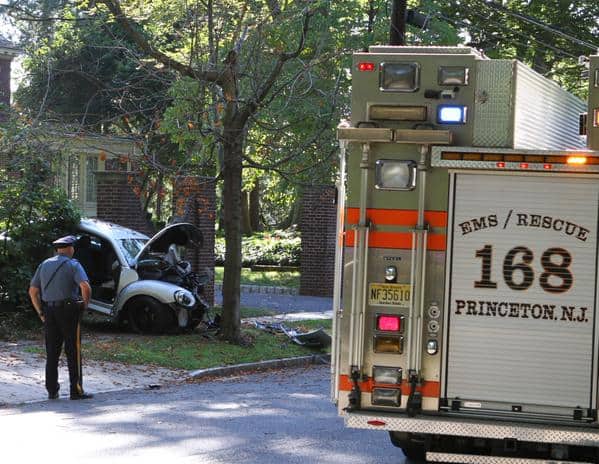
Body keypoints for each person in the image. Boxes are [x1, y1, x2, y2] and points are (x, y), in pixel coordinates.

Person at [28, 235, 94, 400]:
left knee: (52, 352)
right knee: (73, 351)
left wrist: (40, 312)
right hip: (69, 311)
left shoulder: (44, 265)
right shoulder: (73, 265)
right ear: (70, 248)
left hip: (49, 312)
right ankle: (76, 390)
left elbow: (32, 291)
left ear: (57, 249)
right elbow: (85, 286)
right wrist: (85, 305)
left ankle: (52, 390)